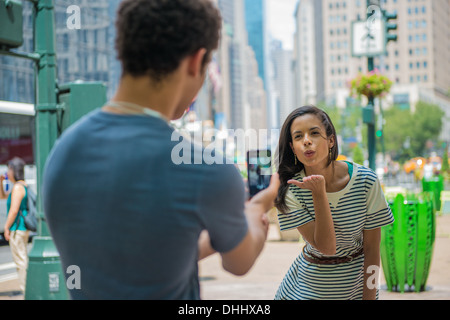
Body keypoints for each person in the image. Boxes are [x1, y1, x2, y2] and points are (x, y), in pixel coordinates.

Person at [42, 0, 279, 300]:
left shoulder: (63, 154)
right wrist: (256, 207)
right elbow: (239, 261)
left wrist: (223, 223)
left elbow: (152, 255)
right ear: (196, 61)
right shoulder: (207, 169)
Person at [274, 106, 394, 300]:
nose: (306, 141)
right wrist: (319, 194)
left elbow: (372, 249)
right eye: (298, 137)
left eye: (314, 133)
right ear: (292, 148)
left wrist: (370, 297)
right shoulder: (291, 190)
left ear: (330, 140)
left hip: (355, 288)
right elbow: (327, 247)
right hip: (305, 290)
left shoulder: (366, 181)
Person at [0, 157, 29, 292]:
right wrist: (1, 183)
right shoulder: (22, 186)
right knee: (22, 260)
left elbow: (14, 210)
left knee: (21, 262)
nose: (7, 172)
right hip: (22, 228)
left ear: (14, 171)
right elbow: (3, 196)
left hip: (17, 229)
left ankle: (27, 290)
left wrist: (6, 227)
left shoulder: (18, 187)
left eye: (9, 169)